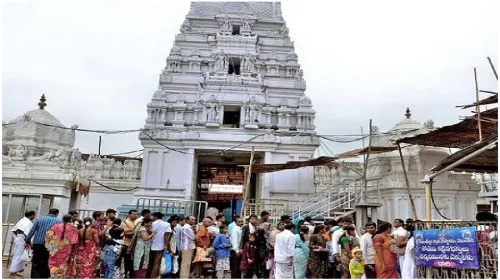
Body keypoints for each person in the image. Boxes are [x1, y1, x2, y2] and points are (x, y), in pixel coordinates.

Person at [25, 208, 61, 279]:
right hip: (51, 245)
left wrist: (28, 240)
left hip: (38, 243)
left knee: (36, 261)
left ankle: (35, 277)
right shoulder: (59, 221)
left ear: (49, 212)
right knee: (48, 260)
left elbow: (32, 231)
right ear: (57, 214)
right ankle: (45, 276)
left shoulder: (40, 219)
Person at [45, 214, 79, 278]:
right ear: (71, 220)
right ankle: (60, 276)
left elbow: (48, 237)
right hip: (66, 249)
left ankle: (53, 276)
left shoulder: (55, 226)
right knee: (63, 264)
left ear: (62, 219)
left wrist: (50, 248)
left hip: (54, 247)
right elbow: (74, 241)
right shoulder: (73, 228)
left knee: (53, 263)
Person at [9, 211, 36, 279]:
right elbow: (28, 233)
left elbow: (13, 231)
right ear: (32, 215)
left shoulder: (22, 221)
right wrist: (29, 242)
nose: (34, 217)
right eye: (34, 215)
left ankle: (16, 271)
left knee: (21, 256)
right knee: (18, 256)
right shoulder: (27, 222)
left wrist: (18, 238)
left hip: (20, 239)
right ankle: (12, 273)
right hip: (22, 240)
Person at [147, 212, 170, 278]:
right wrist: (166, 245)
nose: (151, 217)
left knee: (149, 263)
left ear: (156, 217)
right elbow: (166, 235)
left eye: (152, 216)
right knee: (156, 263)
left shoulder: (151, 224)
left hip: (150, 245)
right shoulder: (166, 224)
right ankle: (153, 277)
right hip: (160, 246)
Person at [122, 209, 138, 278]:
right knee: (127, 262)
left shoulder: (136, 222)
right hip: (127, 245)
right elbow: (125, 233)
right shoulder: (125, 222)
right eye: (134, 214)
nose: (135, 216)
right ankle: (125, 275)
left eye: (136, 214)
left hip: (134, 245)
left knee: (132, 263)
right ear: (129, 214)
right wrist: (134, 233)